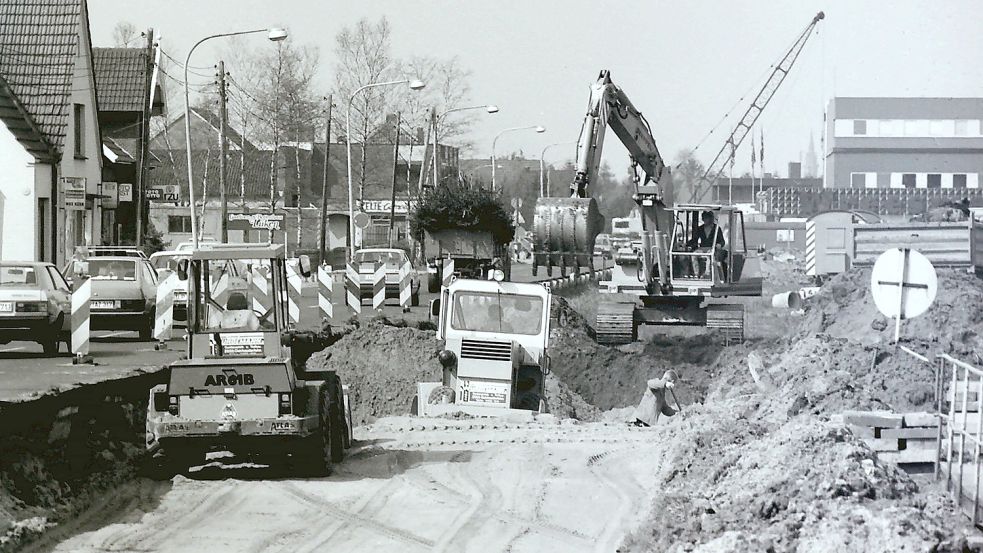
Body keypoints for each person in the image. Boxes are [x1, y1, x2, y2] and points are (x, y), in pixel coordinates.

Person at [686, 211, 727, 279]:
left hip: (712, 248)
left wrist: (719, 245)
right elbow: (695, 239)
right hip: (702, 248)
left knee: (709, 255)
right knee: (694, 255)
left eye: (706, 218)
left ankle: (707, 273)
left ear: (711, 218)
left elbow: (722, 241)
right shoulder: (700, 228)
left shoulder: (716, 228)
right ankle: (696, 274)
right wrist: (687, 244)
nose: (704, 220)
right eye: (704, 218)